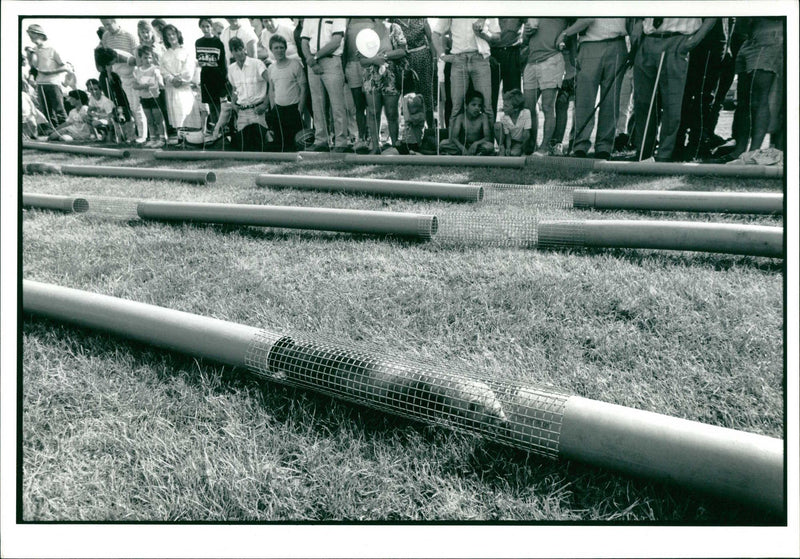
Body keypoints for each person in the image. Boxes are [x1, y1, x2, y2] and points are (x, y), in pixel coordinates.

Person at [630, 17, 717, 161]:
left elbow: (713, 14)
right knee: (643, 102)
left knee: (672, 104)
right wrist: (638, 24)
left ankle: (664, 154)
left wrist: (695, 39)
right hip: (648, 39)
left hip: (677, 40)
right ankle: (643, 152)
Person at [558, 18, 628, 160]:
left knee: (611, 100)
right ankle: (580, 146)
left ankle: (604, 147)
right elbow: (584, 19)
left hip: (617, 42)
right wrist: (567, 37)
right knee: (584, 99)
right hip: (590, 43)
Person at [720, 17, 783, 161]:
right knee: (743, 100)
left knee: (759, 98)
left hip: (769, 37)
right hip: (748, 39)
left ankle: (754, 151)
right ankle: (739, 151)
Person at [431, 18, 499, 129]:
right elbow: (435, 34)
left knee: (487, 106)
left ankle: (488, 144)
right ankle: (452, 143)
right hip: (459, 60)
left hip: (480, 58)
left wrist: (484, 34)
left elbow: (497, 37)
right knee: (456, 107)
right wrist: (442, 55)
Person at [209, 37, 270, 150]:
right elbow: (235, 89)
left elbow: (271, 83)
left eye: (241, 49)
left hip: (258, 111)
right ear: (231, 52)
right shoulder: (231, 69)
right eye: (235, 50)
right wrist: (233, 104)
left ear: (245, 49)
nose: (239, 52)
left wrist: (265, 104)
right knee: (243, 146)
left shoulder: (257, 64)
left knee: (262, 145)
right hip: (242, 112)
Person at [300, 17, 350, 152]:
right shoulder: (310, 16)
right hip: (312, 63)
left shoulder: (337, 14)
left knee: (337, 104)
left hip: (331, 60)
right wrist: (310, 60)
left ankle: (341, 142)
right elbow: (304, 41)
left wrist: (314, 57)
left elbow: (336, 42)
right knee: (317, 104)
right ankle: (321, 140)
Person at [359, 19, 408, 153]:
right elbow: (362, 60)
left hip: (390, 74)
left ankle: (394, 146)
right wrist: (374, 60)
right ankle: (375, 146)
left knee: (392, 113)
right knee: (373, 112)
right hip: (370, 75)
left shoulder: (394, 28)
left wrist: (385, 56)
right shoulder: (366, 30)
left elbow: (403, 51)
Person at [522, 18, 567, 155]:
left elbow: (581, 21)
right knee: (528, 108)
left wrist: (564, 34)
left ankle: (545, 147)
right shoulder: (533, 8)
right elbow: (524, 40)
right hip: (531, 61)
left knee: (548, 106)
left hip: (551, 59)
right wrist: (526, 33)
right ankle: (531, 146)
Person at [100, 18, 148, 144]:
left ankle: (143, 135)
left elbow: (137, 59)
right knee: (130, 107)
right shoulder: (105, 36)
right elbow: (107, 56)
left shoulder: (129, 36)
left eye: (109, 24)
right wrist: (109, 72)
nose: (107, 27)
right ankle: (136, 134)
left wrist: (121, 60)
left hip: (133, 74)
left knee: (137, 107)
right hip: (120, 76)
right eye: (105, 25)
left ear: (115, 22)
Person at [388, 18, 437, 130]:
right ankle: (412, 132)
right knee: (409, 96)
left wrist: (434, 58)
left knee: (426, 93)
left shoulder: (420, 17)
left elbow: (430, 38)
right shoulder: (394, 21)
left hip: (423, 59)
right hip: (404, 61)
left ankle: (431, 129)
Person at [475, 18, 524, 118]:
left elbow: (531, 24)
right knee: (489, 97)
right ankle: (489, 130)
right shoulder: (490, 5)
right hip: (492, 54)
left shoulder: (519, 5)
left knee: (513, 97)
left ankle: (513, 131)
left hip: (512, 52)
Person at [266, 34, 306, 151]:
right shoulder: (271, 68)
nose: (279, 50)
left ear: (285, 48)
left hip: (293, 110)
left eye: (281, 47)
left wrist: (300, 109)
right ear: (271, 50)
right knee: (279, 146)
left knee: (294, 146)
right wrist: (273, 109)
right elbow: (271, 90)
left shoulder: (295, 65)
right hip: (279, 111)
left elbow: (304, 88)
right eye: (276, 48)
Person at [160, 24, 199, 138]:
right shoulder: (165, 54)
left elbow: (189, 68)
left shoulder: (186, 51)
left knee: (185, 111)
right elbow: (163, 70)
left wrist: (180, 79)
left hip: (183, 87)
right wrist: (172, 79)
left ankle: (191, 138)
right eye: (168, 35)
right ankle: (180, 138)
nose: (171, 37)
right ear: (165, 38)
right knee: (176, 115)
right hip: (172, 87)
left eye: (173, 34)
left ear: (177, 34)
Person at [26, 24, 68, 127]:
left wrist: (50, 71)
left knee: (59, 109)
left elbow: (65, 67)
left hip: (53, 83)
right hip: (40, 84)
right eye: (30, 34)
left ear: (40, 35)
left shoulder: (52, 49)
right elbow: (34, 66)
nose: (31, 37)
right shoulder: (34, 50)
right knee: (47, 111)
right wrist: (29, 56)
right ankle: (53, 133)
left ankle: (65, 130)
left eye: (33, 34)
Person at [343, 18, 374, 152]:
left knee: (372, 104)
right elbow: (344, 47)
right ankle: (361, 138)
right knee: (359, 105)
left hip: (370, 63)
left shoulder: (373, 17)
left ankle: (374, 138)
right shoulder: (347, 19)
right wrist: (344, 67)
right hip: (352, 64)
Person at [439, 90, 494, 155]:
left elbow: (487, 137)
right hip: (462, 146)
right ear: (466, 106)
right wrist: (461, 147)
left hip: (478, 146)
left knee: (490, 146)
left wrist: (476, 143)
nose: (477, 108)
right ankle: (470, 154)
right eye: (474, 105)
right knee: (443, 143)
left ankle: (474, 153)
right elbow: (454, 137)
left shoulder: (483, 117)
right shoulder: (461, 117)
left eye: (479, 106)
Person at [196, 18, 228, 130]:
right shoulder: (198, 42)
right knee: (211, 106)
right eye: (203, 26)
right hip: (205, 76)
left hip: (217, 77)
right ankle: (215, 132)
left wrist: (224, 79)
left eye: (207, 26)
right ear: (200, 27)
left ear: (211, 27)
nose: (205, 29)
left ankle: (222, 131)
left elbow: (222, 62)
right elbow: (199, 61)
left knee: (218, 106)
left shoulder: (218, 42)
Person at [133, 45, 166, 147]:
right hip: (144, 98)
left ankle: (162, 138)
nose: (147, 60)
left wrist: (157, 82)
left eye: (149, 57)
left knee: (158, 119)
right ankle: (152, 138)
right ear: (140, 59)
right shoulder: (137, 71)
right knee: (150, 119)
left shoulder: (155, 69)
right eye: (144, 58)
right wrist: (142, 86)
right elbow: (134, 85)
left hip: (154, 97)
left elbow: (161, 84)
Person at [495, 88, 530, 156]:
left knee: (514, 153)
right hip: (510, 140)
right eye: (503, 105)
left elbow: (526, 133)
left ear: (516, 109)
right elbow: (508, 135)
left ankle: (523, 151)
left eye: (506, 106)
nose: (503, 108)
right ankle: (502, 148)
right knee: (497, 125)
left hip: (520, 142)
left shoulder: (526, 113)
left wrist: (523, 150)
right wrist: (508, 148)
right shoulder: (504, 118)